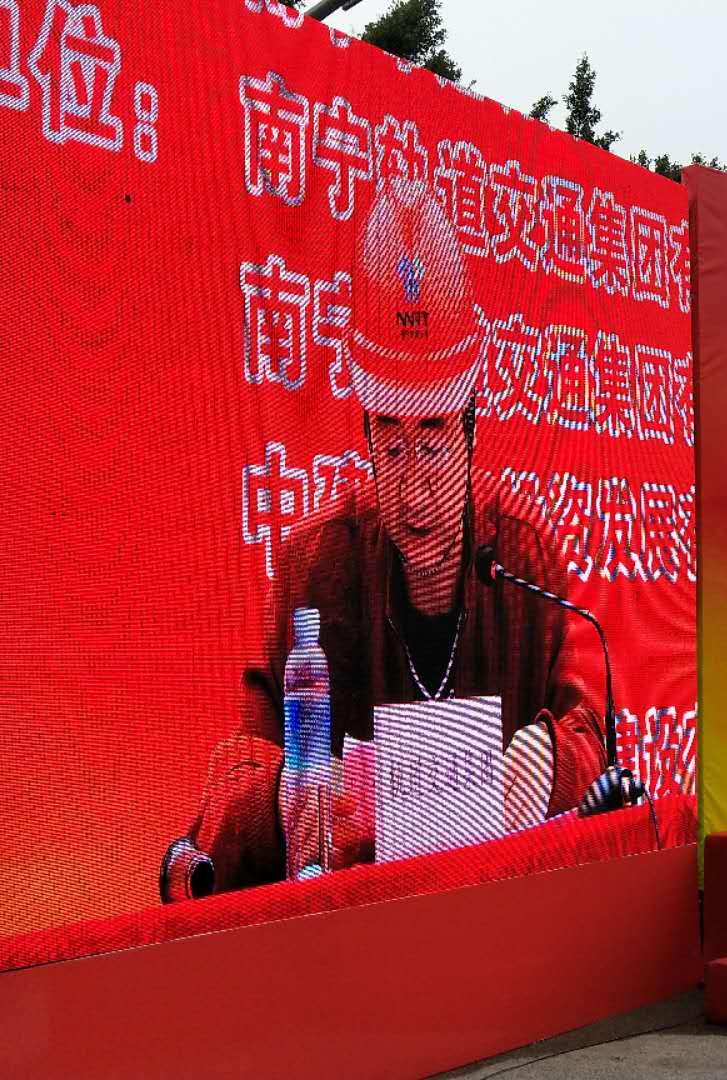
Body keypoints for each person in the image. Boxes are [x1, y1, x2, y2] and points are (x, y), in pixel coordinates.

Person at [161, 182, 615, 900]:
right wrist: (280, 800)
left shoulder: (526, 558)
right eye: (392, 445)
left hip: (498, 915)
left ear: (471, 433)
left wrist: (554, 764)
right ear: (366, 438)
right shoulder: (316, 566)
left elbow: (597, 734)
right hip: (353, 927)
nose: (415, 487)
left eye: (434, 439)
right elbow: (237, 768)